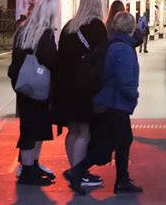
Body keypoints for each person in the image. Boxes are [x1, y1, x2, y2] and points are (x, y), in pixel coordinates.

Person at [64, 12, 142, 195]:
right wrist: (133, 96)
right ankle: (77, 171)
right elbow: (125, 80)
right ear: (131, 28)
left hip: (107, 102)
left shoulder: (111, 44)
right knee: (108, 146)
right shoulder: (123, 49)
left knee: (124, 141)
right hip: (115, 103)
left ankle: (122, 180)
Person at [54, 0, 108, 187]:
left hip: (65, 87)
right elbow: (102, 59)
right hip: (86, 88)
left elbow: (60, 58)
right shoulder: (97, 27)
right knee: (84, 131)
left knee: (73, 130)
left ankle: (74, 169)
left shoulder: (69, 27)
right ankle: (79, 173)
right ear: (97, 5)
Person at [7, 0, 58, 185]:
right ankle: (28, 170)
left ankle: (31, 166)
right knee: (34, 128)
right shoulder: (44, 34)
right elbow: (51, 61)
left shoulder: (23, 32)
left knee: (29, 126)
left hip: (23, 86)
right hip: (38, 89)